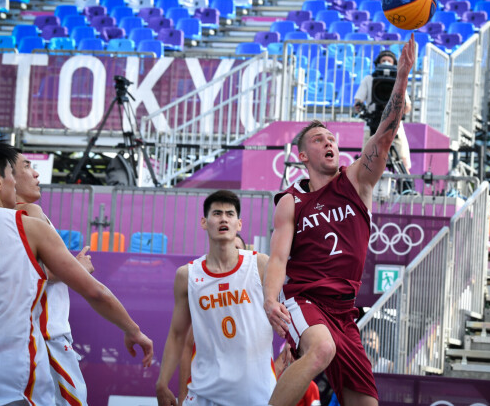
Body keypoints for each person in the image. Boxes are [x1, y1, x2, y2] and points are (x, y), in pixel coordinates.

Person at [0, 135, 153, 405]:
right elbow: (95, 292)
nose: (18, 180)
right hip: (12, 378)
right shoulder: (26, 223)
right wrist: (133, 329)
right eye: (13, 173)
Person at [264, 36, 416, 406]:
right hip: (306, 299)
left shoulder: (357, 181)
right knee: (320, 350)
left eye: (332, 138)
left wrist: (402, 77)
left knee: (366, 404)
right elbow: (279, 259)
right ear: (302, 155)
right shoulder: (291, 200)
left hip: (345, 311)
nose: (329, 142)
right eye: (319, 139)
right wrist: (270, 299)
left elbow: (385, 134)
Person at [156, 190, 276, 406]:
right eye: (217, 213)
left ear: (239, 224)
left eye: (230, 214)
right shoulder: (187, 275)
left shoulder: (260, 265)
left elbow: (287, 309)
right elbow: (176, 335)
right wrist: (162, 382)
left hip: (257, 395)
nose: (223, 219)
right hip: (205, 395)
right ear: (204, 222)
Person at [13, 152, 94, 405]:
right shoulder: (27, 212)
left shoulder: (6, 219)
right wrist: (77, 268)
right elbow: (31, 275)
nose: (36, 173)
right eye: (27, 167)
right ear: (4, 178)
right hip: (47, 337)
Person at [176, 231, 250, 404]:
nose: (230, 252)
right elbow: (186, 347)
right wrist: (182, 395)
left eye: (237, 248)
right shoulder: (207, 300)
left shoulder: (258, 292)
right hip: (210, 390)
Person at [353, 50, 412, 171]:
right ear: (377, 63)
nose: (386, 63)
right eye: (383, 60)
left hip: (395, 124)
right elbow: (358, 102)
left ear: (394, 64)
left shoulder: (399, 80)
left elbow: (408, 107)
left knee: (403, 160)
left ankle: (405, 188)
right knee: (366, 161)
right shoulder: (369, 79)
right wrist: (360, 108)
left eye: (389, 61)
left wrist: (400, 109)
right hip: (372, 123)